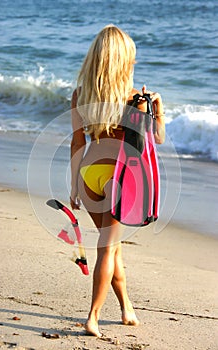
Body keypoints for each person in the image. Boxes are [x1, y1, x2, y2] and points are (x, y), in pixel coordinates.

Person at [70, 24, 165, 337]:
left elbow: (76, 143)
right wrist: (156, 110)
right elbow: (152, 143)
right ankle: (93, 317)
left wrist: (73, 185)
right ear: (122, 61)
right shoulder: (134, 99)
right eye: (131, 58)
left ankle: (126, 308)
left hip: (88, 175)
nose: (134, 64)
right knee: (108, 248)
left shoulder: (80, 95)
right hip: (116, 178)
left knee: (113, 247)